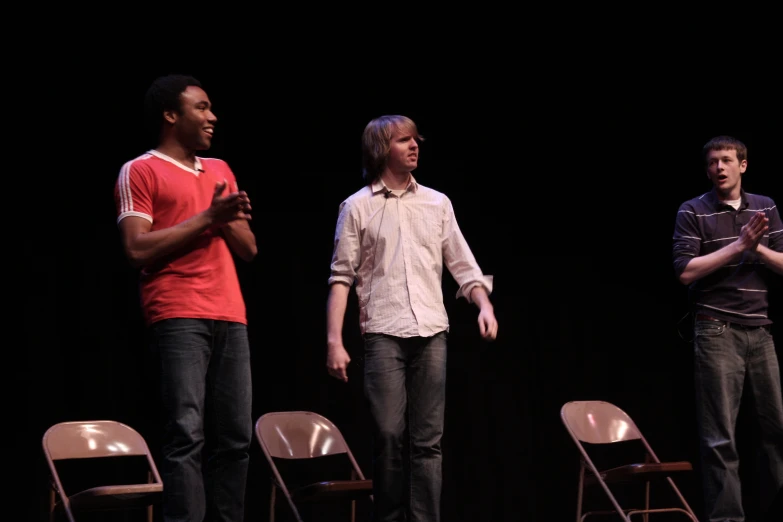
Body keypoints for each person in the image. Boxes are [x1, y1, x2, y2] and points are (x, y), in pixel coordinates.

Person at [325, 114, 498, 522]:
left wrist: (484, 305)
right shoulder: (357, 206)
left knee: (428, 442)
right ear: (382, 149)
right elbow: (341, 277)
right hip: (383, 332)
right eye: (403, 140)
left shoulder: (437, 203)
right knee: (388, 435)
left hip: (432, 331)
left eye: (415, 139)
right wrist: (335, 341)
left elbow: (463, 264)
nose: (414, 146)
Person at [114, 74, 257, 522]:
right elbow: (136, 249)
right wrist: (209, 216)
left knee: (235, 436)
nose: (212, 117)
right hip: (177, 312)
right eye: (201, 107)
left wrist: (225, 218)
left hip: (230, 312)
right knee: (187, 434)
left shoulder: (220, 170)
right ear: (171, 116)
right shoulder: (140, 170)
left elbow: (249, 249)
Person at [672, 135, 783, 521]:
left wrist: (757, 248)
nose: (718, 168)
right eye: (712, 163)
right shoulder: (693, 210)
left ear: (743, 165)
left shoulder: (765, 207)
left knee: (776, 433)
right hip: (716, 329)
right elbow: (685, 272)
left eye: (726, 161)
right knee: (720, 438)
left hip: (760, 330)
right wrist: (737, 248)